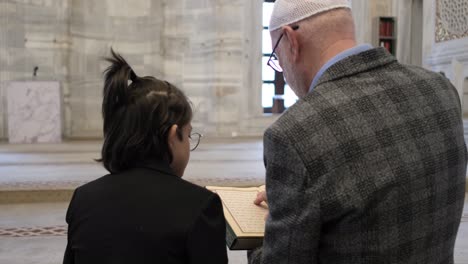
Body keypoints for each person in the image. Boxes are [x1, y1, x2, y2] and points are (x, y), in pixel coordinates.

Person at [249, 0, 467, 263]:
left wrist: (266, 227)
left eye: (276, 57)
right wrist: (290, 203)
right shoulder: (441, 90)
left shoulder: (294, 133)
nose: (282, 70)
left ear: (290, 39)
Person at [63, 49, 228, 264]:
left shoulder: (83, 198)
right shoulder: (200, 205)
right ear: (172, 136)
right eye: (188, 136)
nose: (188, 145)